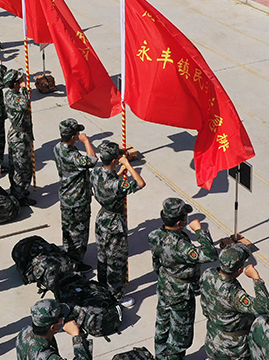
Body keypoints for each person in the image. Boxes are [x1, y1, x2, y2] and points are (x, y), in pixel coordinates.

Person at [148, 197, 219, 360]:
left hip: (165, 286)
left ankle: (160, 356)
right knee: (180, 337)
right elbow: (210, 255)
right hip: (181, 294)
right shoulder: (180, 245)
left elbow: (156, 263)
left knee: (162, 327)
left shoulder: (155, 235)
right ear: (180, 223)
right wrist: (199, 231)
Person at [91, 141, 146, 308]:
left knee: (102, 257)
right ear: (115, 160)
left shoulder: (96, 172)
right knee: (116, 262)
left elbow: (109, 180)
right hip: (115, 224)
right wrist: (128, 165)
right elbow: (140, 183)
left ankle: (103, 287)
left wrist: (119, 171)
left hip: (102, 219)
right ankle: (116, 296)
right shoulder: (116, 185)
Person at [201, 243, 269, 360]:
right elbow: (264, 306)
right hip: (232, 348)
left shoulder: (208, 274)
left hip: (213, 337)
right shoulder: (233, 294)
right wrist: (256, 279)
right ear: (239, 270)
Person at [52, 118, 96, 271]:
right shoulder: (73, 156)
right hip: (77, 200)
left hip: (66, 197)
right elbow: (92, 160)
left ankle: (69, 256)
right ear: (73, 137)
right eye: (77, 133)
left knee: (68, 229)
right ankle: (75, 264)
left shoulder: (57, 148)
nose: (79, 135)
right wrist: (86, 141)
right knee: (79, 233)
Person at [16, 298, 91, 360]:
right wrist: (77, 337)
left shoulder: (25, 331)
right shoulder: (47, 357)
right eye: (61, 319)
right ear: (53, 327)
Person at [6, 68, 35, 206]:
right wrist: (24, 90)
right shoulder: (14, 97)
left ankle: (19, 190)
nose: (22, 81)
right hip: (20, 137)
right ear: (15, 84)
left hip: (18, 133)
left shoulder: (11, 94)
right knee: (22, 167)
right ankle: (19, 195)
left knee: (17, 165)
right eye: (20, 80)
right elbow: (24, 104)